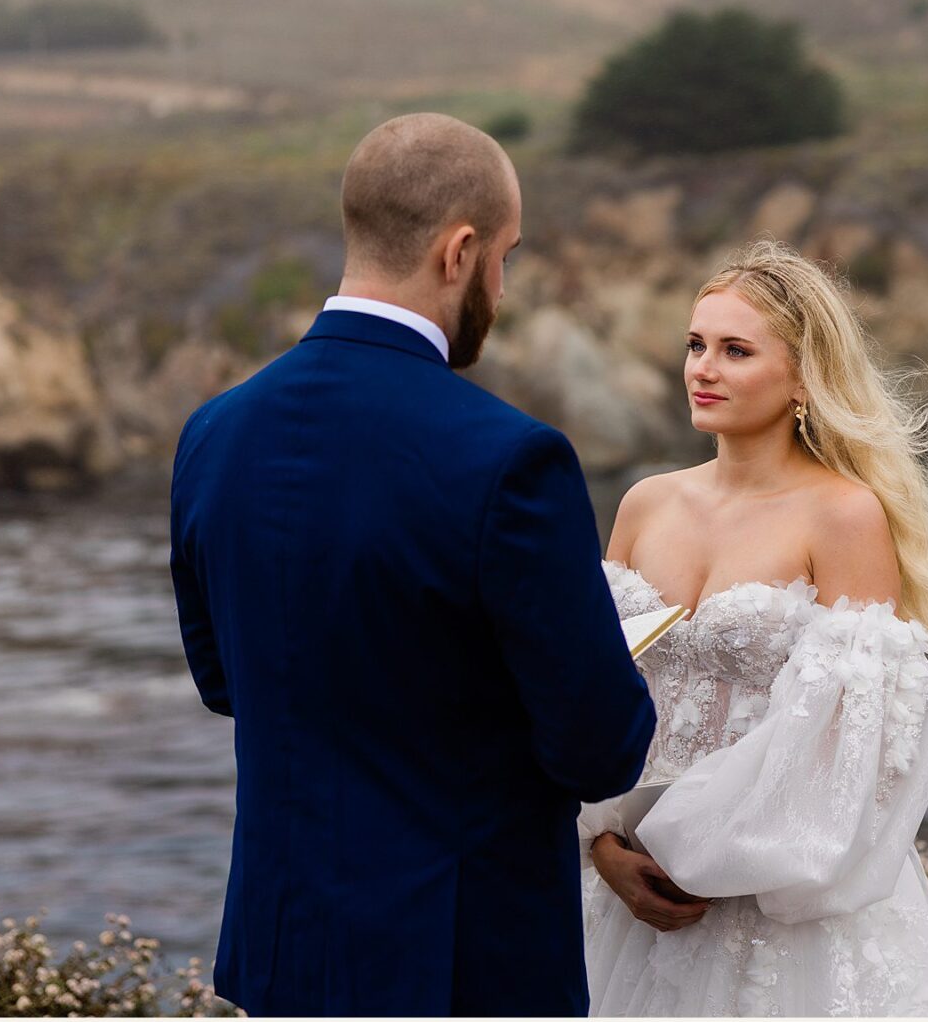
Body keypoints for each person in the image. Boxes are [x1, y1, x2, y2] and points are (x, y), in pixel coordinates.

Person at [170, 113, 657, 1016]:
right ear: (459, 250)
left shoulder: (213, 433)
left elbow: (225, 679)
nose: (502, 290)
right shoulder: (511, 459)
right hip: (456, 964)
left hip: (280, 952)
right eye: (505, 257)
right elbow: (600, 746)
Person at [578, 240, 928, 1016]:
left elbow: (855, 747)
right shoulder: (645, 504)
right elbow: (595, 690)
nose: (703, 368)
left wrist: (687, 851)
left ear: (802, 376)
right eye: (696, 345)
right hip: (628, 891)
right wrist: (601, 849)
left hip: (777, 912)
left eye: (735, 350)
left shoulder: (844, 516)